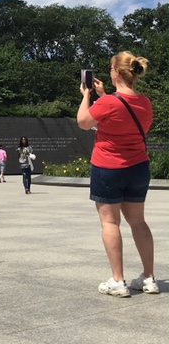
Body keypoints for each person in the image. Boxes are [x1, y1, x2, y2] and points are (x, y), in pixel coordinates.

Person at [77, 51, 159, 297]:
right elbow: (123, 117)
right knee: (139, 222)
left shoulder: (108, 102)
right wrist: (103, 96)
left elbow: (83, 122)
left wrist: (87, 96)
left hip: (109, 167)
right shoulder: (145, 101)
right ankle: (149, 277)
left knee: (110, 222)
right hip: (138, 167)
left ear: (116, 72)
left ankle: (118, 281)